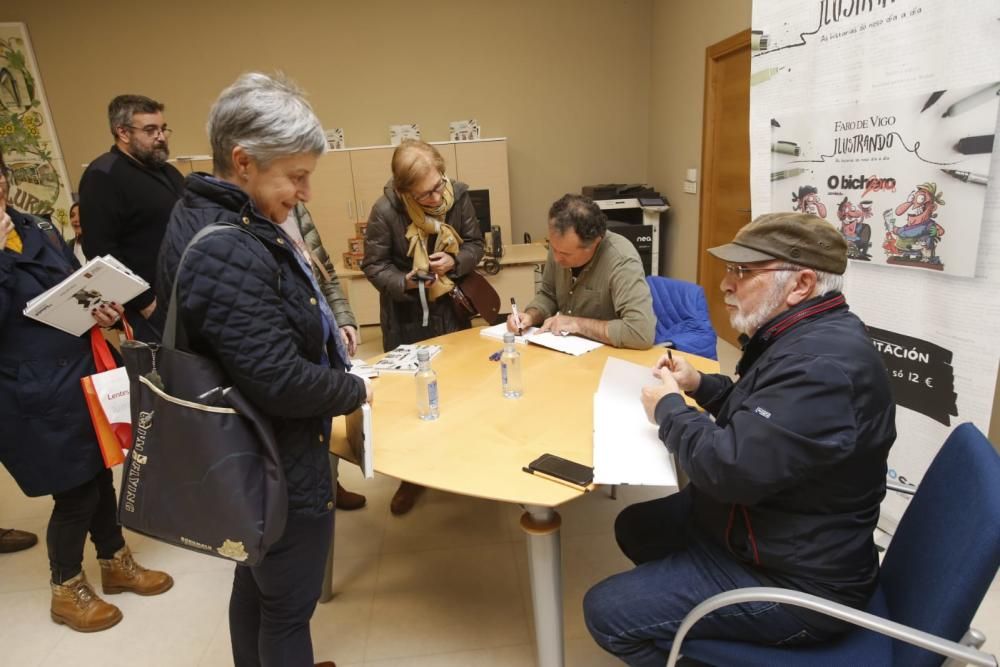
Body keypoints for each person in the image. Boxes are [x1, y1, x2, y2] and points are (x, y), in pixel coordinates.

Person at [583, 212, 896, 665]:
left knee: (605, 611)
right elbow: (766, 420)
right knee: (636, 528)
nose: (726, 285)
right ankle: (688, 617)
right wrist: (701, 386)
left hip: (795, 581)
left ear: (801, 284)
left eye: (742, 272)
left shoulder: (821, 368)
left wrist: (669, 408)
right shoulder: (803, 334)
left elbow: (729, 469)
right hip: (773, 528)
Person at [156, 72, 371, 667]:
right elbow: (277, 379)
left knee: (256, 583)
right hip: (271, 461)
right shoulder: (230, 243)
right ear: (244, 161)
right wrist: (355, 387)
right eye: (296, 176)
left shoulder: (196, 210)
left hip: (241, 460)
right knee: (287, 609)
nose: (304, 193)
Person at [0, 149, 173, 633]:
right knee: (73, 492)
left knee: (98, 477)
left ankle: (115, 562)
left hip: (78, 374)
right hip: (27, 391)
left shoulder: (35, 226)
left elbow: (67, 286)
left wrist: (101, 308)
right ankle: (65, 586)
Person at [361, 139, 484, 516]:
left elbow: (476, 245)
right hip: (407, 317)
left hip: (453, 310)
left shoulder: (458, 196)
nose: (435, 196)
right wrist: (408, 281)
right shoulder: (385, 211)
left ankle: (462, 460)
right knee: (412, 397)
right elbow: (374, 265)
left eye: (438, 184)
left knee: (461, 386)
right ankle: (412, 476)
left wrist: (455, 260)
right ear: (403, 191)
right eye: (424, 193)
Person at [79, 94, 184, 341]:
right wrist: (145, 302)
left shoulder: (168, 172)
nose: (160, 136)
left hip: (187, 297)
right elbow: (100, 249)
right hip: (151, 308)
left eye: (162, 129)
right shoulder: (103, 175)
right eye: (150, 130)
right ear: (123, 133)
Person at [286, 202, 366, 511]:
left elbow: (325, 271)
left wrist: (342, 318)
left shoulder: (296, 208)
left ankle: (330, 484)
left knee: (324, 422)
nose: (304, 191)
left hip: (318, 340)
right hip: (292, 349)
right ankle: (319, 493)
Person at [506, 194, 655, 349]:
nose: (556, 259)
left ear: (595, 242)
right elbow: (548, 294)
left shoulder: (622, 261)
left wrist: (576, 323)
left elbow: (640, 333)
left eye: (565, 254)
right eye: (553, 248)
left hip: (610, 357)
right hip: (568, 350)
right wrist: (530, 315)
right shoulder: (560, 245)